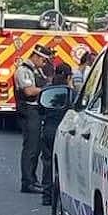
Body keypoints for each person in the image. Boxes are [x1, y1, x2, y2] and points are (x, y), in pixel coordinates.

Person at [15, 44, 54, 194]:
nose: (44, 64)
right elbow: (29, 91)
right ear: (36, 57)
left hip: (36, 112)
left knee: (36, 147)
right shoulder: (23, 70)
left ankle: (33, 179)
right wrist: (47, 89)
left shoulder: (36, 70)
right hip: (28, 111)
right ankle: (27, 182)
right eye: (43, 61)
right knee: (31, 148)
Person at [40, 62, 74, 206]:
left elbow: (40, 108)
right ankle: (63, 196)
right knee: (66, 164)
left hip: (48, 130)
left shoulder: (47, 90)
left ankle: (47, 196)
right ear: (68, 76)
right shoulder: (71, 93)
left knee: (47, 163)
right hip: (64, 133)